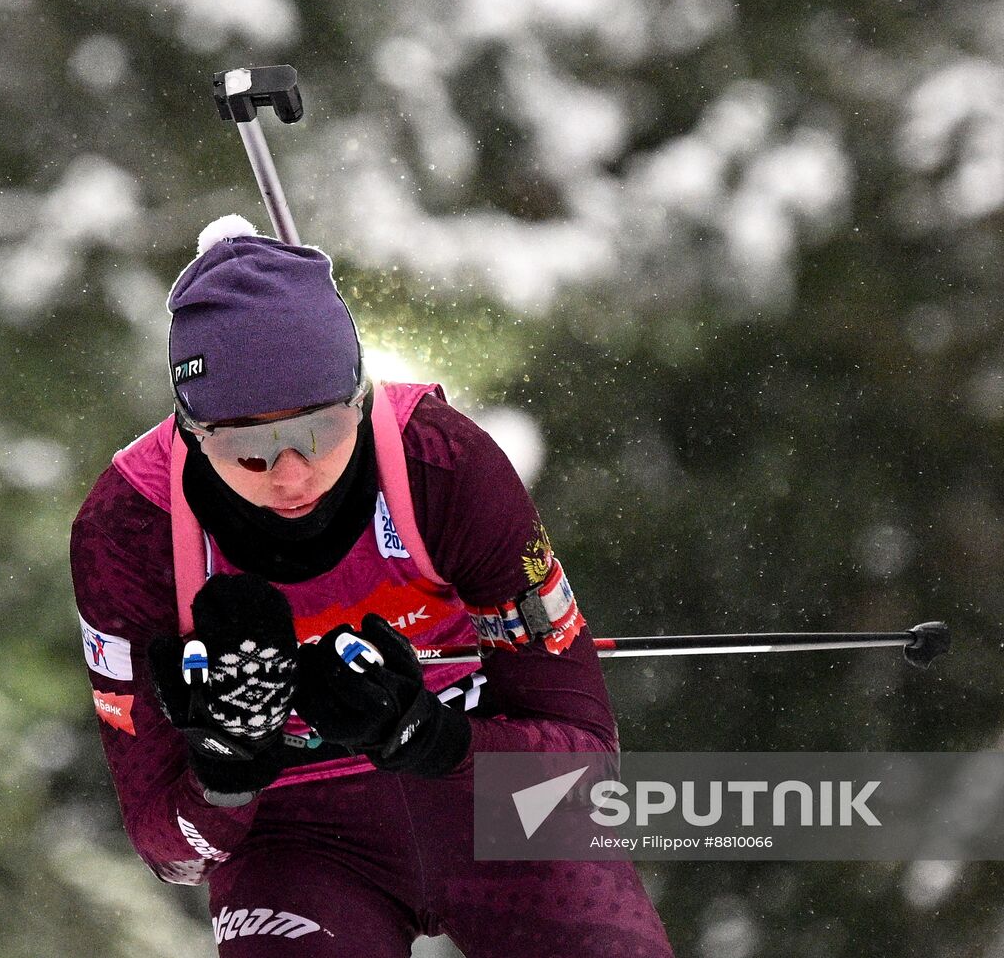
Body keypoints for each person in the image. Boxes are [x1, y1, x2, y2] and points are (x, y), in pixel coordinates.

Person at [69, 214, 674, 957]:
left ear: (359, 396)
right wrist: (226, 771)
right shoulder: (129, 529)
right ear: (192, 431)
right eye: (244, 446)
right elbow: (172, 851)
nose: (289, 474)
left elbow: (587, 764)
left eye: (317, 429)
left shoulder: (442, 465)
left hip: (494, 807)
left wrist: (429, 733)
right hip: (295, 844)